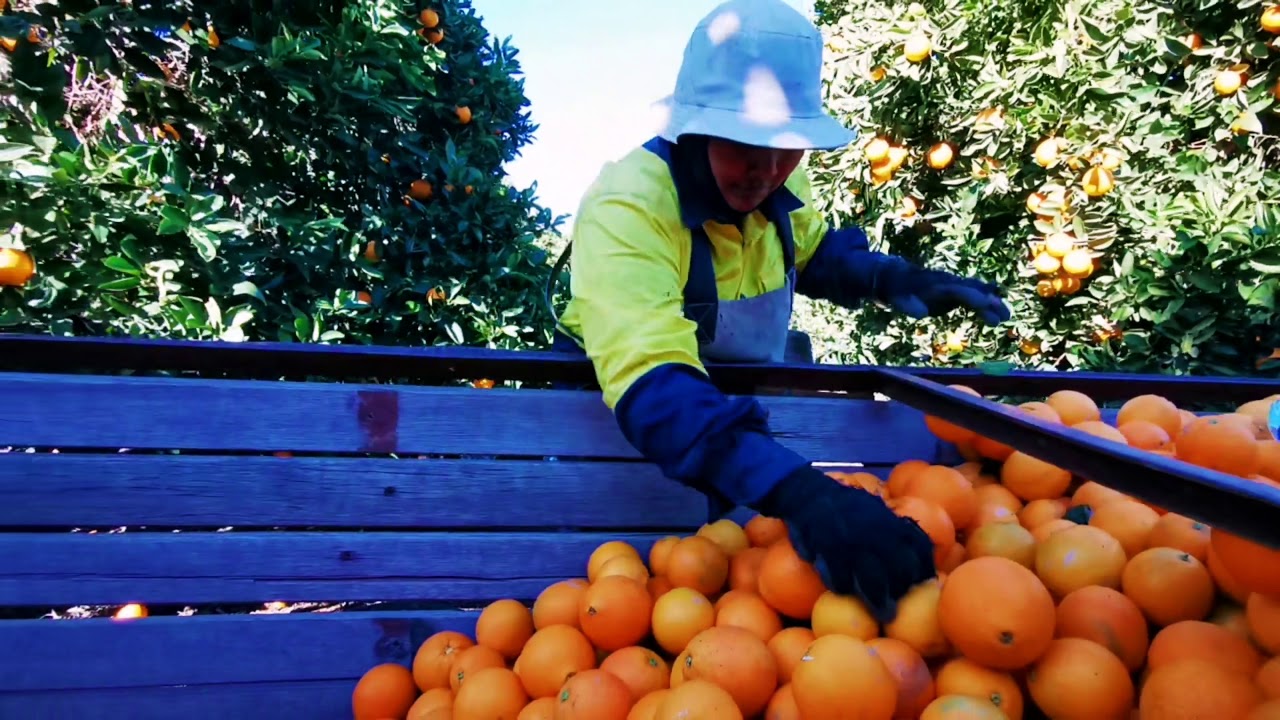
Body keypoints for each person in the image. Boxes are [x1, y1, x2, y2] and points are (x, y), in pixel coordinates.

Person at [545, 0, 1010, 621]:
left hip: (740, 447)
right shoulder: (628, 208)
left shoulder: (780, 184)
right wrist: (803, 495)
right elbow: (653, 384)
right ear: (698, 126)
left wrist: (894, 278)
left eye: (786, 148)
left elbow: (811, 253)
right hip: (619, 449)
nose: (765, 170)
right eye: (745, 144)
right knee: (637, 610)